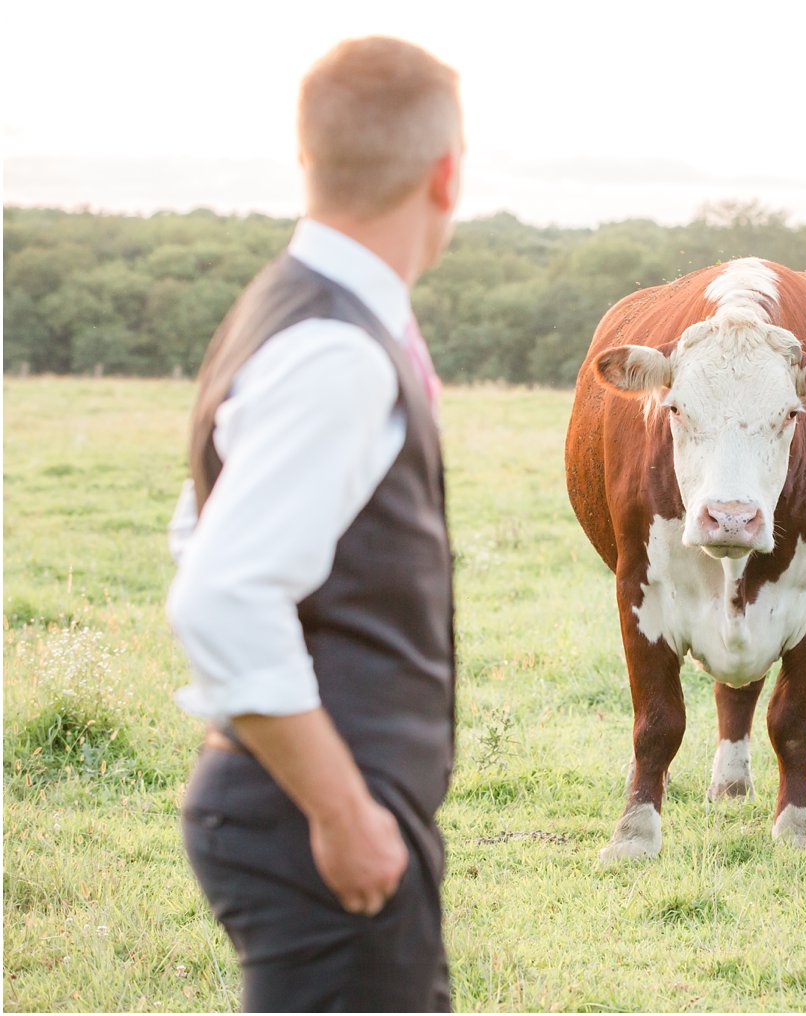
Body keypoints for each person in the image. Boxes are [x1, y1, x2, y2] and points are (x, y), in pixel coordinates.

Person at [166, 36, 462, 1012]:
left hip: (305, 808)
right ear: (446, 174)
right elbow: (218, 587)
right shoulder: (336, 345)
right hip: (318, 820)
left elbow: (196, 528)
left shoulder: (283, 308)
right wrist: (342, 808)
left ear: (308, 161)